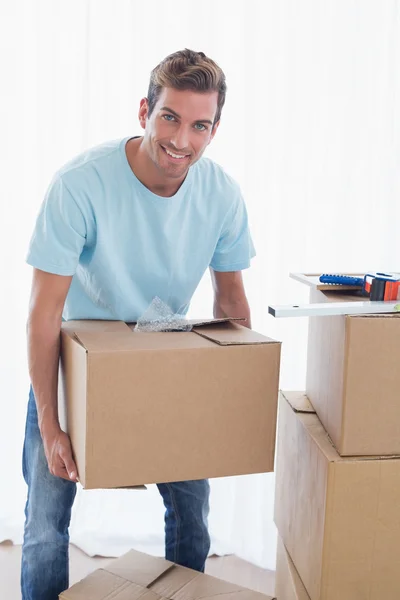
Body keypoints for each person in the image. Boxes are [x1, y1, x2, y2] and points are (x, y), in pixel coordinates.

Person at [22, 48, 255, 600]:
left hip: (163, 360)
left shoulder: (220, 194)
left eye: (199, 125)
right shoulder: (80, 184)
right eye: (169, 117)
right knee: (43, 524)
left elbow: (232, 303)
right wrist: (52, 424)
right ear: (144, 111)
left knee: (193, 514)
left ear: (214, 130)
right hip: (73, 368)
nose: (181, 139)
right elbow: (42, 315)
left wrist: (233, 400)